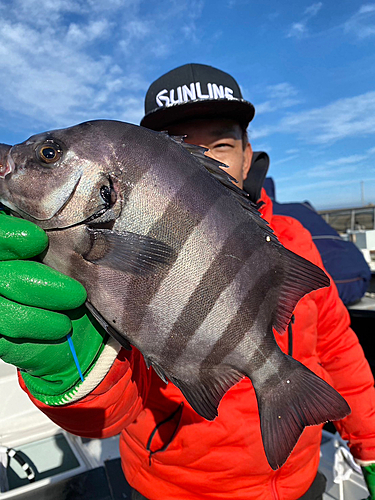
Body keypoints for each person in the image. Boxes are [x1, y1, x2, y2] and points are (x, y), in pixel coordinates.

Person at [1, 63, 375, 500]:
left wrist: (370, 450)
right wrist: (73, 370)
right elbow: (113, 408)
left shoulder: (294, 239)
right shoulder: (63, 252)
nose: (206, 158)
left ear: (247, 153)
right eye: (181, 144)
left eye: (220, 143)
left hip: (296, 480)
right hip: (172, 487)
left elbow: (338, 350)